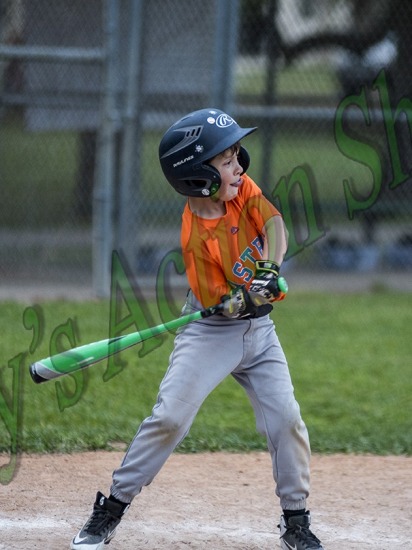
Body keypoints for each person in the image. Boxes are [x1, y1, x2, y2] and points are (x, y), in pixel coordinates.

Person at [70, 108, 324, 550]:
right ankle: (111, 508)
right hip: (212, 330)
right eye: (226, 162)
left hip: (260, 335)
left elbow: (275, 224)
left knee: (286, 420)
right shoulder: (196, 238)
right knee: (170, 416)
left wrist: (271, 266)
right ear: (196, 177)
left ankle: (296, 521)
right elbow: (220, 306)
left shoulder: (243, 189)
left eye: (235, 156)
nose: (239, 167)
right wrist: (247, 295)